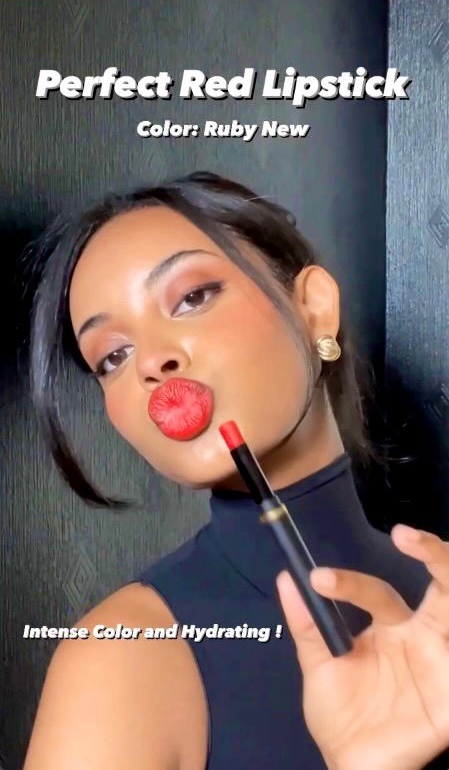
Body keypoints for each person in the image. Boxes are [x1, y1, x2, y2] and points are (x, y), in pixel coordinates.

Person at [22, 172, 449, 770]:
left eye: (193, 297)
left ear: (314, 308)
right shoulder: (124, 658)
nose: (151, 362)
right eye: (113, 355)